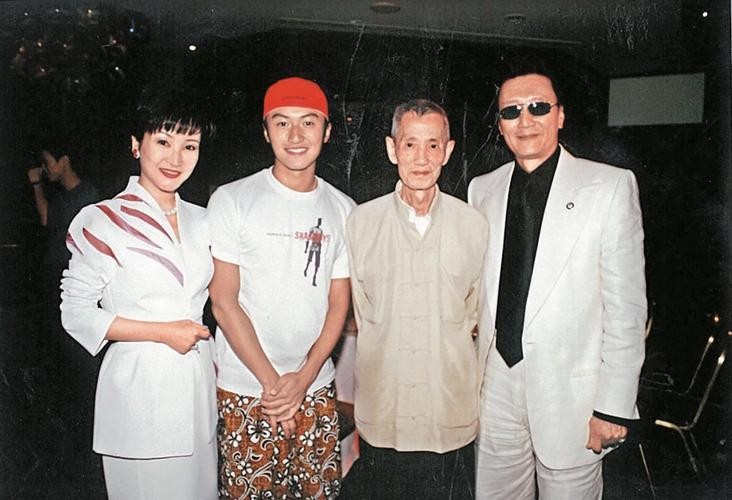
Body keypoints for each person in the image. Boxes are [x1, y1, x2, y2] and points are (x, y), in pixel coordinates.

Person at [468, 58, 647, 498]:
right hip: (495, 386)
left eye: (538, 107)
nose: (525, 120)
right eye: (512, 111)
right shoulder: (481, 189)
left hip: (572, 397)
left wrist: (613, 407)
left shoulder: (609, 186)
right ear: (500, 125)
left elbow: (626, 310)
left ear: (560, 115)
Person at [60, 88, 218, 500]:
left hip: (198, 391)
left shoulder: (206, 220)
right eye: (163, 141)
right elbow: (75, 312)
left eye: (189, 146)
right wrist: (162, 332)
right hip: (138, 396)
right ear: (136, 145)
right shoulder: (103, 219)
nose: (175, 158)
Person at [208, 76, 354, 499]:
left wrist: (304, 379)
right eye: (282, 122)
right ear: (266, 130)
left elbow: (338, 305)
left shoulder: (344, 209)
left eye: (309, 122)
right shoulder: (233, 199)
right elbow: (223, 301)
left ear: (327, 131)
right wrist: (275, 387)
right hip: (247, 388)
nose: (295, 135)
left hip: (316, 387)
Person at [343, 99, 489, 498]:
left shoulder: (474, 225)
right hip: (383, 413)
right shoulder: (361, 223)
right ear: (392, 149)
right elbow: (363, 313)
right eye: (410, 144)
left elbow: (474, 314)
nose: (421, 158)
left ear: (448, 150)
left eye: (433, 145)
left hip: (448, 413)